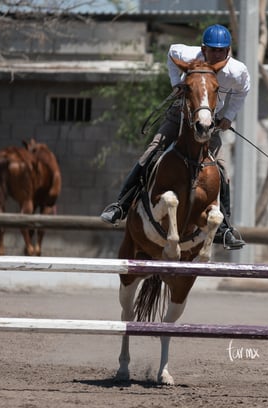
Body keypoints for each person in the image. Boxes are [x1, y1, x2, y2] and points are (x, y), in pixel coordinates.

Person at [101, 24, 250, 249]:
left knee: (220, 169)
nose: (217, 55)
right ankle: (120, 205)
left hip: (209, 120)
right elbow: (171, 53)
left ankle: (225, 228)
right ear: (203, 49)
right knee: (151, 151)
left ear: (228, 50)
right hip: (179, 115)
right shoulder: (187, 54)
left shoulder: (237, 71)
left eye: (222, 51)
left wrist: (228, 116)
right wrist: (177, 85)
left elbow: (242, 91)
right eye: (213, 50)